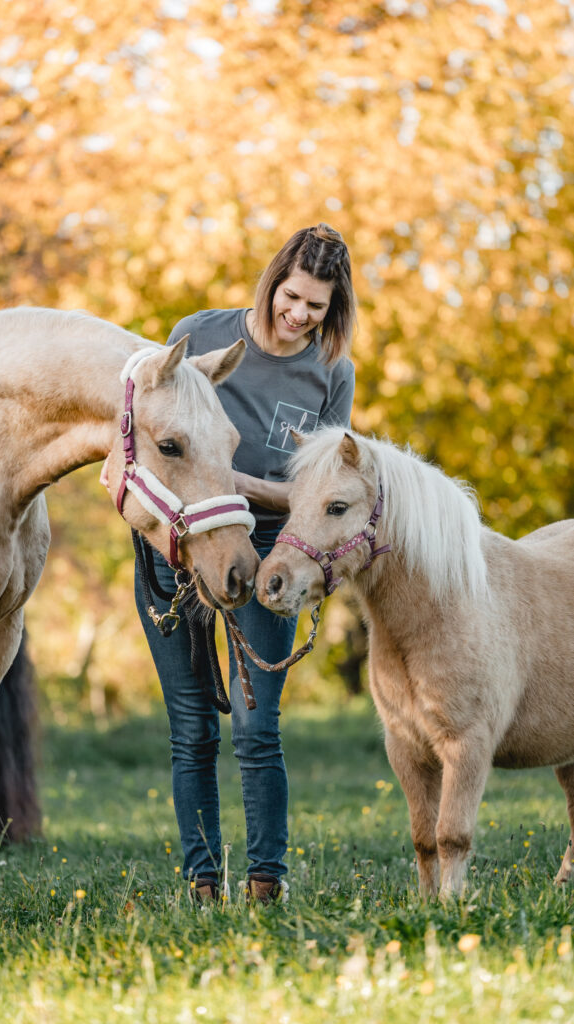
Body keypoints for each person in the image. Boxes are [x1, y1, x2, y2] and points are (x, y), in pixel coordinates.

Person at [135, 224, 356, 904]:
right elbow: (149, 444)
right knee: (193, 727)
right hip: (176, 550)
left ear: (332, 309)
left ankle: (266, 885)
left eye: (315, 307)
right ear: (272, 281)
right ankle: (203, 884)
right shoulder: (196, 336)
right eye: (291, 296)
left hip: (266, 559)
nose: (298, 315)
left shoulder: (330, 371)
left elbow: (319, 487)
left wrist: (249, 492)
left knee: (257, 730)